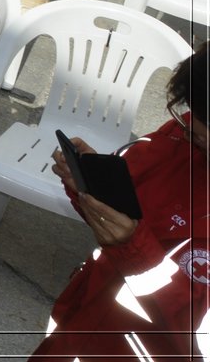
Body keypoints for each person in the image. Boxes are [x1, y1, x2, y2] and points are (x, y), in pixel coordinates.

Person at [30, 43, 209, 361]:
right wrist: (89, 185)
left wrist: (135, 251)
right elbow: (128, 207)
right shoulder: (180, 135)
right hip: (80, 327)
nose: (191, 127)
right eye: (192, 118)